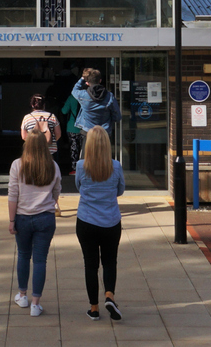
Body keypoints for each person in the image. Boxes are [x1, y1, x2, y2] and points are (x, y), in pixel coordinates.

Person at [8, 131, 61, 317]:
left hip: (22, 217)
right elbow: (56, 192)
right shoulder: (53, 166)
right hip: (45, 218)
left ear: (27, 145)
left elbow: (13, 195)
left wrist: (11, 220)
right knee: (40, 260)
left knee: (23, 255)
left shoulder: (17, 165)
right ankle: (36, 304)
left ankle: (22, 296)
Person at [75, 125, 125, 321]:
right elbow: (120, 190)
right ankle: (109, 295)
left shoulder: (81, 166)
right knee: (110, 262)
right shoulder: (116, 166)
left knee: (90, 265)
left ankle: (94, 308)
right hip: (111, 221)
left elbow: (79, 187)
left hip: (86, 221)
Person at [71, 68, 121, 141]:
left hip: (88, 132)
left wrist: (82, 78)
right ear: (100, 80)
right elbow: (117, 116)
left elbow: (74, 90)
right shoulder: (109, 96)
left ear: (87, 83)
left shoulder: (83, 95)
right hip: (104, 133)